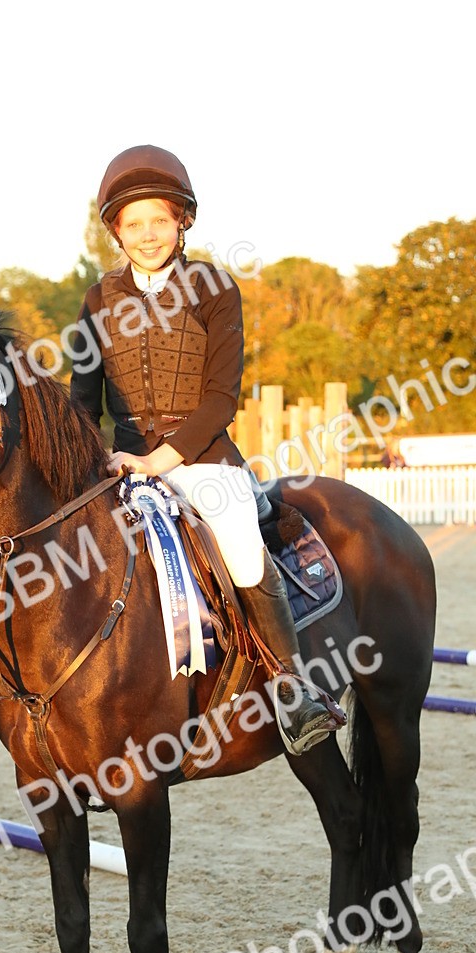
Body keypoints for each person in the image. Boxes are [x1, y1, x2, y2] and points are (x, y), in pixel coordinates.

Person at [70, 145, 341, 754]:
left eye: (159, 221)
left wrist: (159, 461)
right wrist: (85, 462)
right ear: (116, 229)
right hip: (121, 464)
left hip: (204, 461)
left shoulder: (214, 289)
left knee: (243, 552)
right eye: (133, 224)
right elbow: (82, 404)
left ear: (181, 221)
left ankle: (292, 690)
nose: (147, 235)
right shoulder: (96, 300)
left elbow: (221, 400)